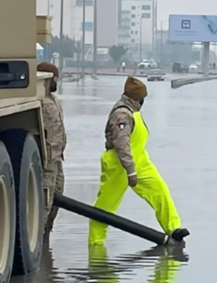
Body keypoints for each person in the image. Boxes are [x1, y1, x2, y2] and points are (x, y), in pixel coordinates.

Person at [89, 76, 189, 245]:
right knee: (104, 208)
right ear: (138, 98)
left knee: (160, 191)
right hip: (119, 166)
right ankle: (96, 245)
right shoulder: (123, 114)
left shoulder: (133, 111)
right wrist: (130, 170)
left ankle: (173, 228)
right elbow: (121, 144)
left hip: (141, 162)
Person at [37, 61, 67, 233]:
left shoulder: (53, 100)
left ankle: (47, 232)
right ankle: (39, 234)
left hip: (57, 159)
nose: (57, 82)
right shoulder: (39, 102)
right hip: (46, 160)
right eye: (55, 78)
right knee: (44, 201)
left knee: (58, 196)